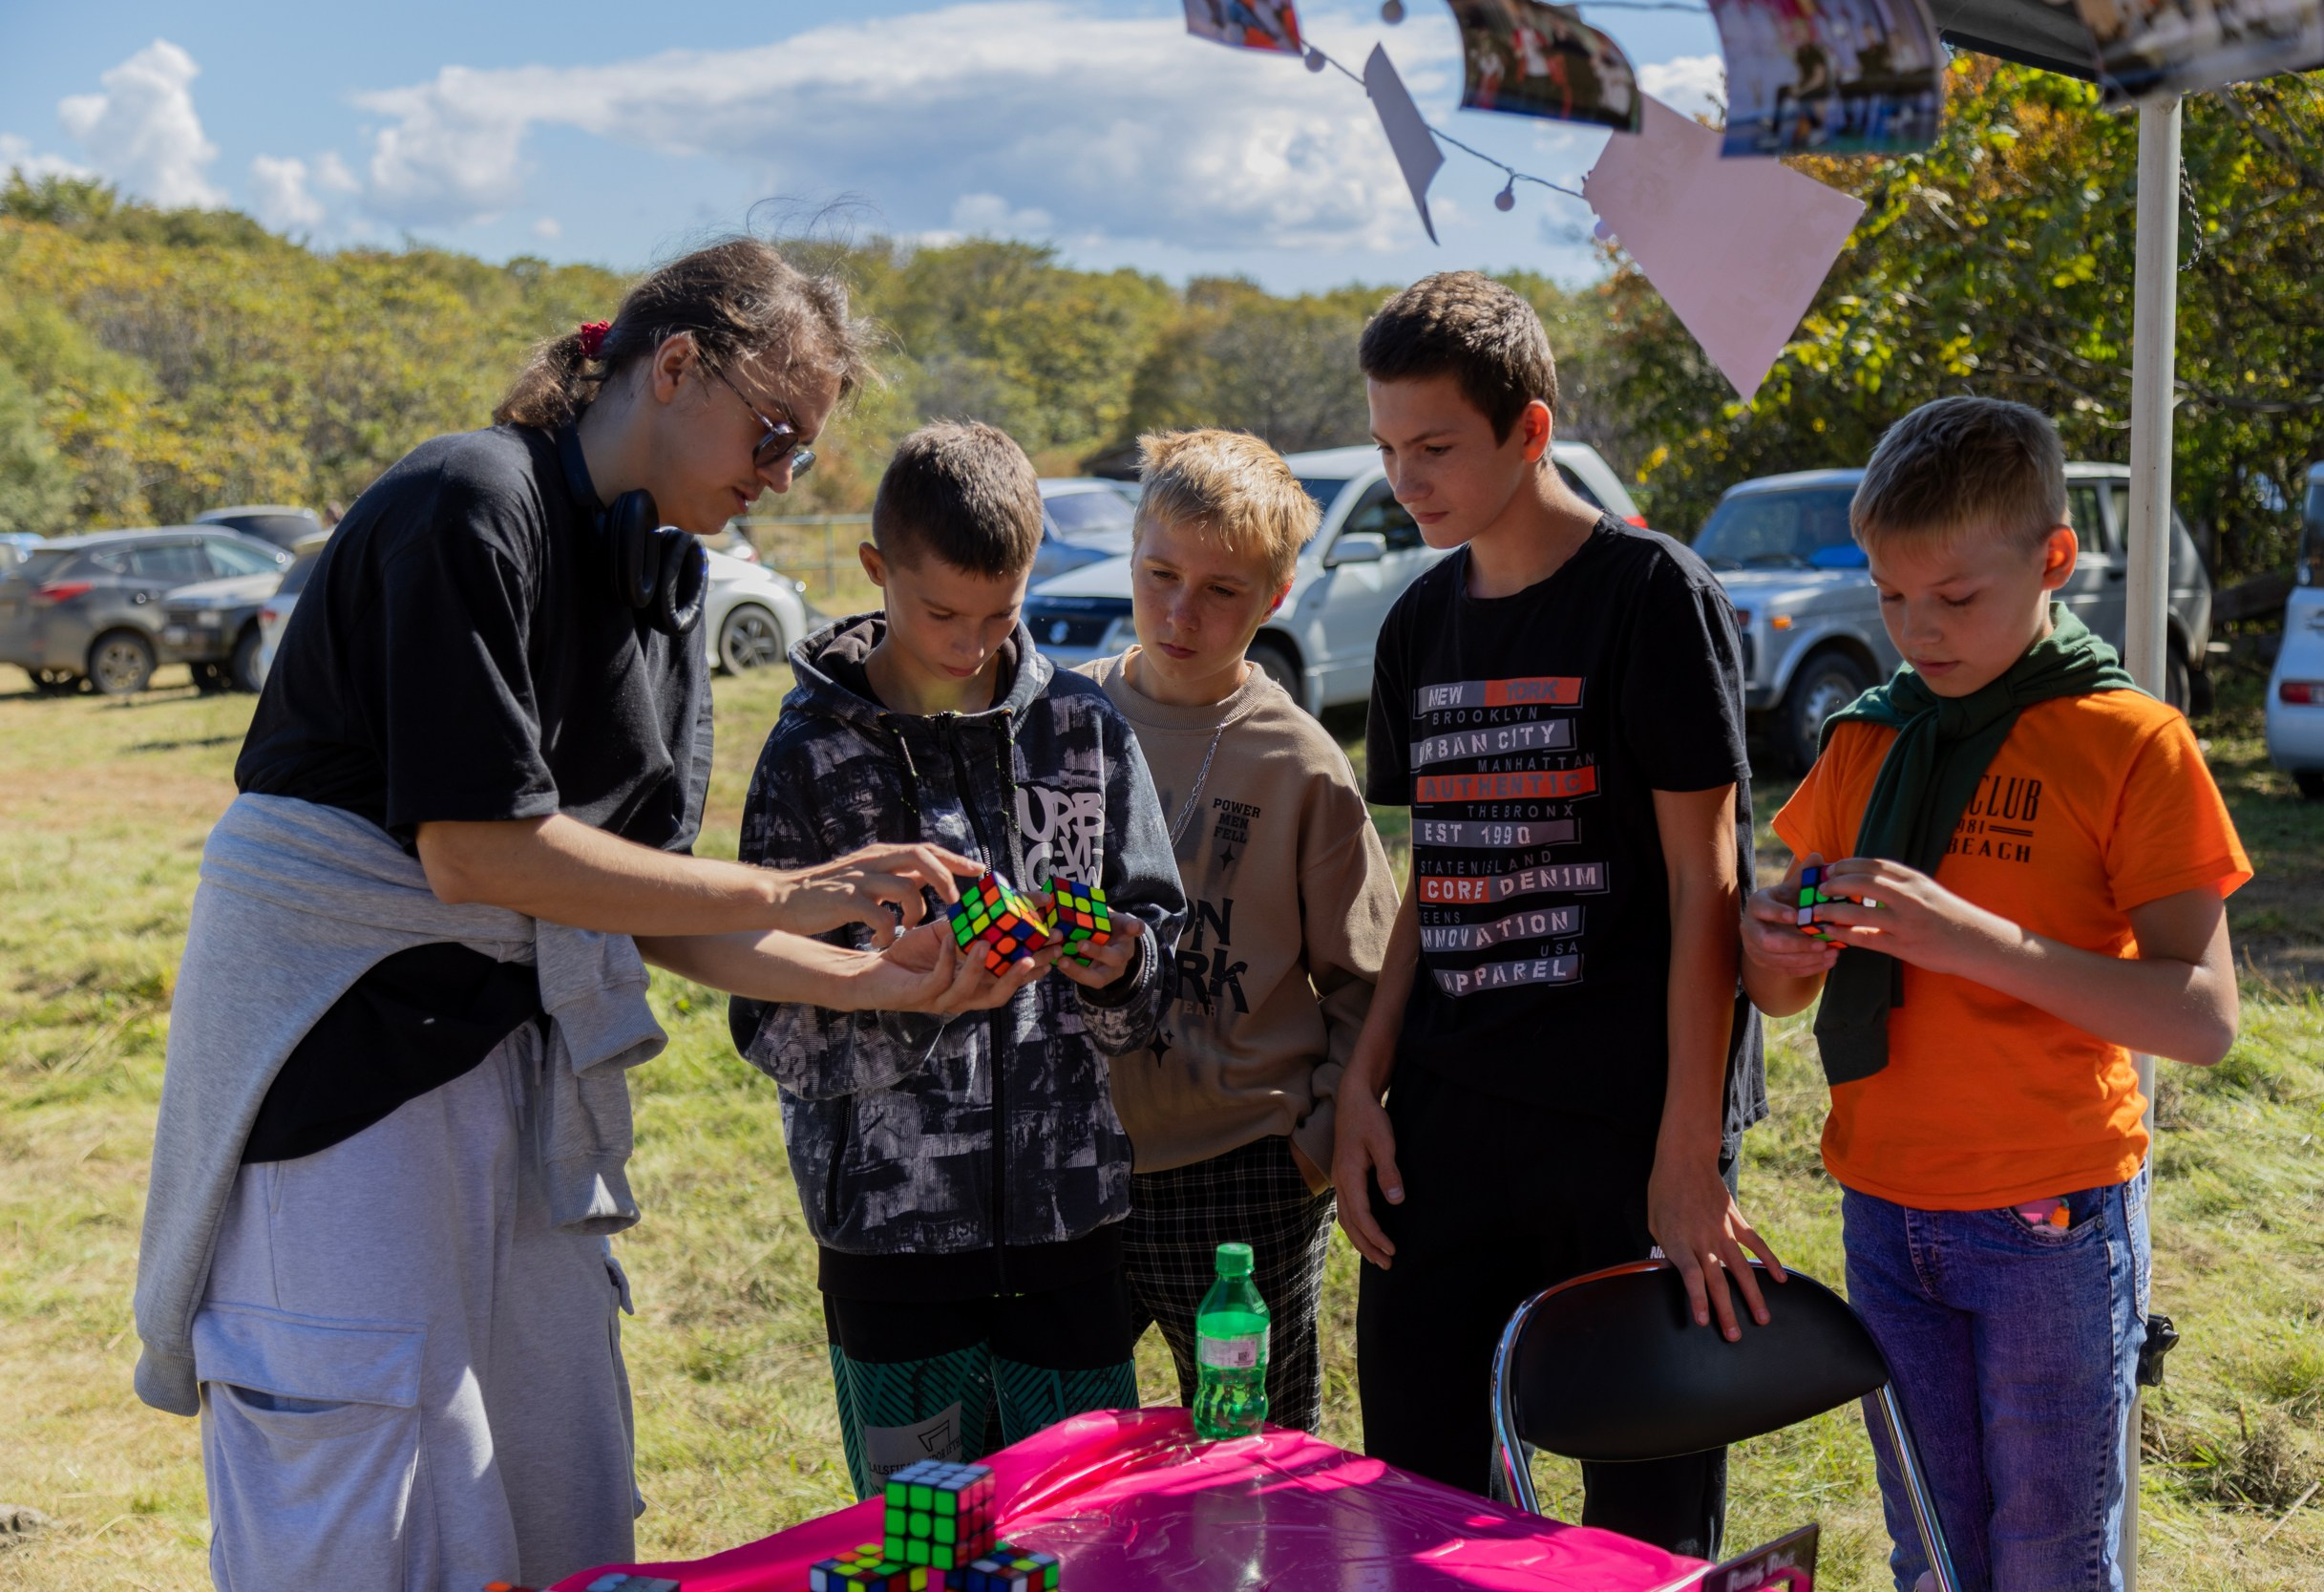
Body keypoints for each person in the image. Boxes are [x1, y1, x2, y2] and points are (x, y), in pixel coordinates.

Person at [134, 238, 1017, 1592]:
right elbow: (478, 851)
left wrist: (871, 979)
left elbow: (634, 901)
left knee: (556, 1466)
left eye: (801, 450)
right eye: (774, 433)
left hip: (512, 1055)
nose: (783, 474)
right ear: (676, 366)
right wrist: (799, 889)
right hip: (341, 1058)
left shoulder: (662, 586)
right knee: (370, 1471)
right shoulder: (469, 500)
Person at [1742, 397, 2250, 1592]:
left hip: (2047, 1219)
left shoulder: (2128, 741)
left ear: (2054, 559)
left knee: (2048, 1558)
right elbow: (1776, 992)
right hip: (1881, 1207)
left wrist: (1975, 941)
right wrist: (1774, 945)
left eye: (1956, 596)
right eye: (1890, 596)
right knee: (1931, 1552)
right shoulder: (1867, 739)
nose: (1917, 629)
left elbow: (2204, 1017)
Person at [1332, 272, 1775, 1559]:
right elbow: (1439, 869)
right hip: (1448, 1117)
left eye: (1434, 447)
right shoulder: (1416, 624)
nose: (1405, 481)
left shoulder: (1652, 594)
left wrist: (1686, 1155)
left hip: (1624, 1125)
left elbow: (1707, 883)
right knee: (1421, 1501)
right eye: (1387, 449)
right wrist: (1363, 1078)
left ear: (1530, 429)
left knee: (1644, 1522)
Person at [730, 420, 1187, 1498]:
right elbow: (764, 1019)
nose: (971, 643)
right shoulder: (810, 755)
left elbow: (1157, 960)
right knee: (920, 1544)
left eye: (1001, 613)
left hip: (1070, 1229)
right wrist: (906, 997)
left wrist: (1119, 969)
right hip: (891, 1249)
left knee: (1082, 1536)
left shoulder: (1083, 728)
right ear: (876, 568)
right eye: (940, 612)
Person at [1077, 429, 1398, 1436]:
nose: (1181, 612)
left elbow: (1370, 979)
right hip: (1071, 1162)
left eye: (1221, 589)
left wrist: (1310, 1146)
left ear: (1277, 594)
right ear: (1131, 553)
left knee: (1254, 1453)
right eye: (1160, 574)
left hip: (1243, 1178)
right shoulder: (1060, 718)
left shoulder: (1299, 761)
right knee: (1059, 1457)